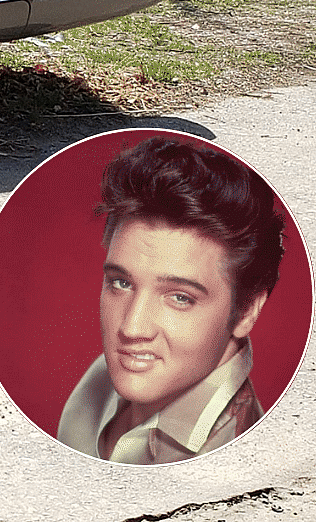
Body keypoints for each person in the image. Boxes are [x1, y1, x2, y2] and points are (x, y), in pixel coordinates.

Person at [55, 136, 286, 464]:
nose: (132, 328)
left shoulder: (226, 459)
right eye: (121, 282)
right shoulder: (100, 380)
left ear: (246, 311)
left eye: (180, 298)